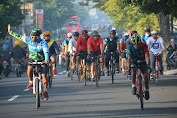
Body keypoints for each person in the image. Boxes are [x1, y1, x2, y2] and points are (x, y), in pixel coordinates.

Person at [8, 24, 49, 101]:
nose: (32, 38)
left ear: (38, 37)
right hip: (32, 59)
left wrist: (46, 60)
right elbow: (18, 36)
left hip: (42, 60)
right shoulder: (28, 39)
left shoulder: (43, 43)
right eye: (31, 36)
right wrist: (10, 32)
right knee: (29, 68)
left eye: (34, 37)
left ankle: (45, 91)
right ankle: (30, 82)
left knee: (44, 78)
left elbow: (46, 52)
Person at [127, 33, 150, 100]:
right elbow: (129, 58)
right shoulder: (130, 48)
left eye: (138, 44)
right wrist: (129, 67)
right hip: (134, 61)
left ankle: (146, 90)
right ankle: (133, 85)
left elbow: (147, 56)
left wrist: (148, 65)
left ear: (140, 43)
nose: (136, 46)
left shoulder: (144, 46)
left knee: (145, 76)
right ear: (132, 44)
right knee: (133, 70)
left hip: (142, 60)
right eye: (135, 45)